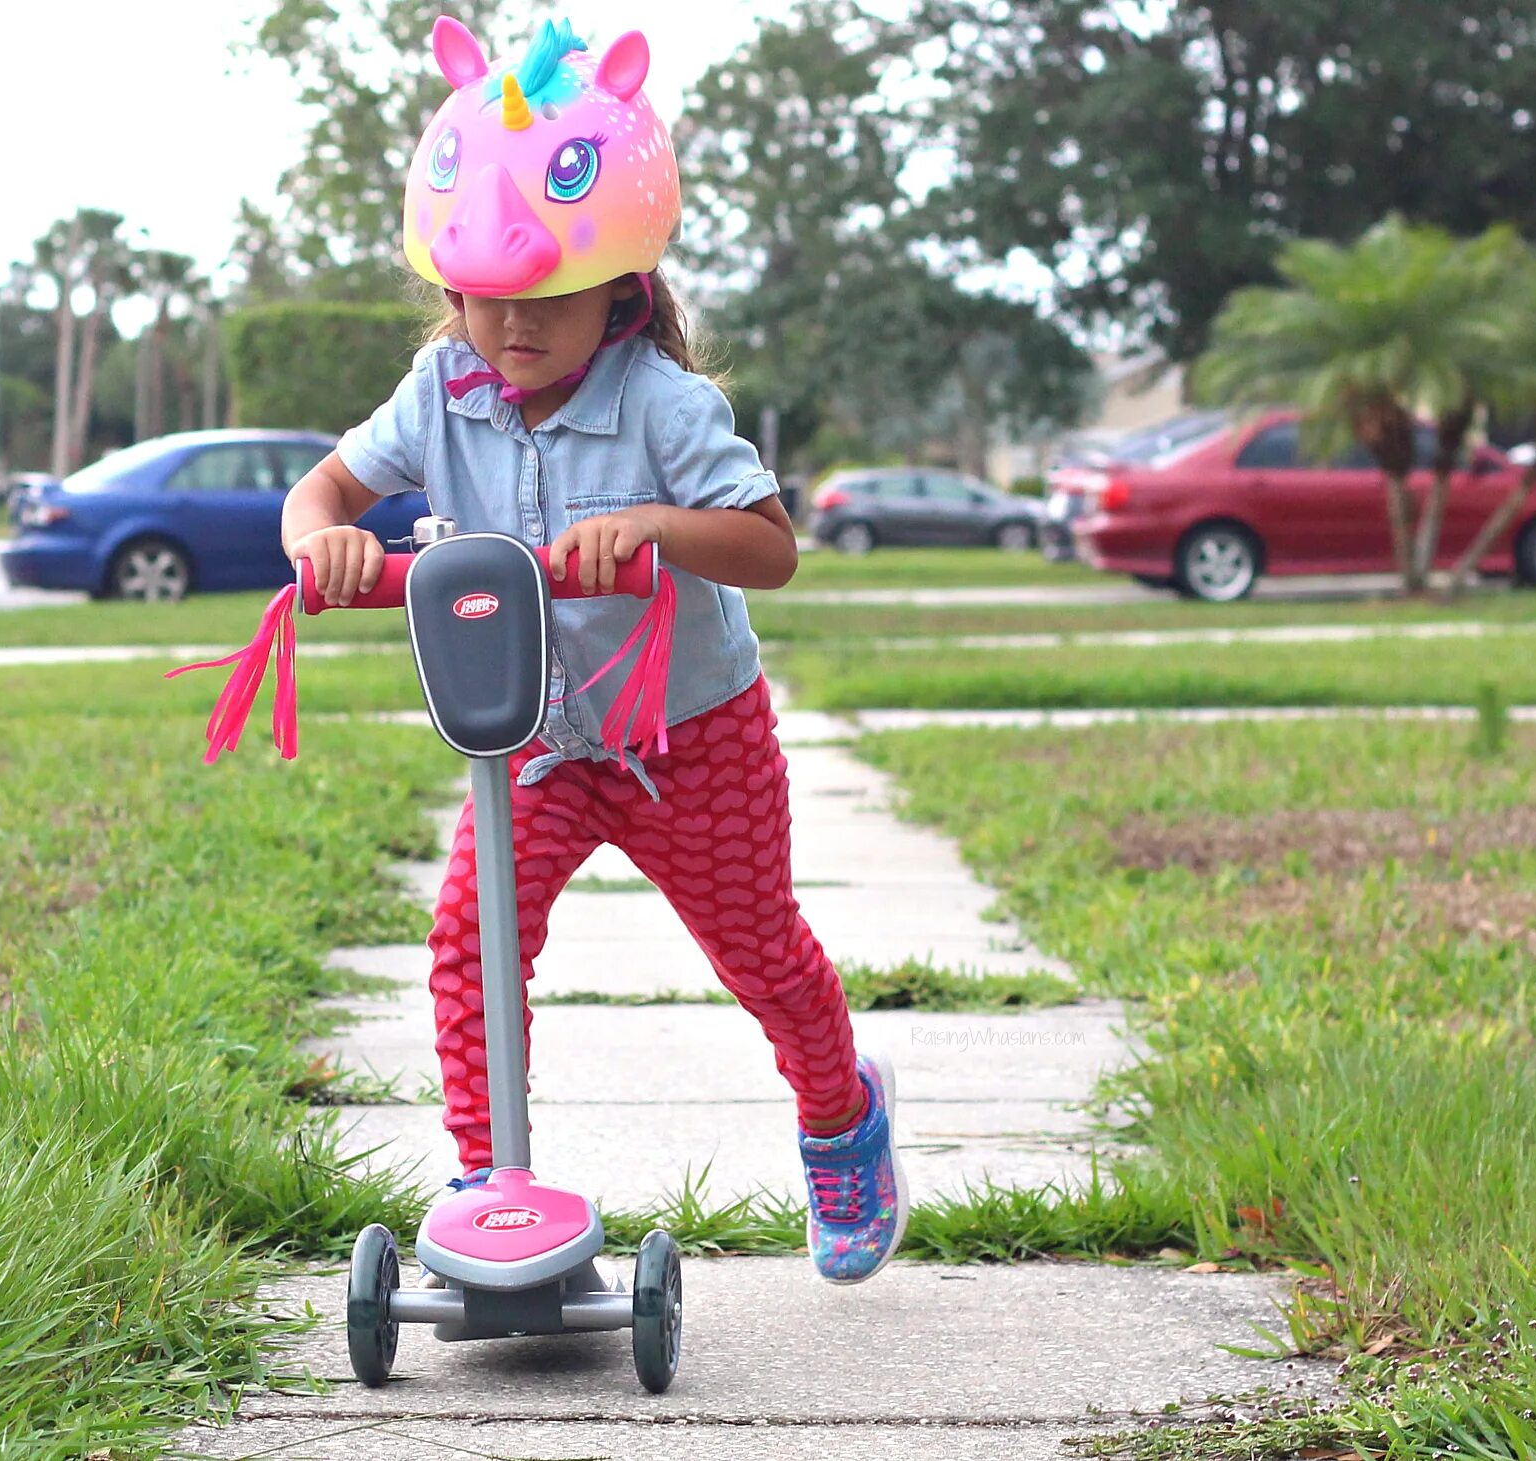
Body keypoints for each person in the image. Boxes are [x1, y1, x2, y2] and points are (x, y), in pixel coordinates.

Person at [278, 16, 905, 1284]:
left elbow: (769, 548)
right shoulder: (437, 392)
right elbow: (322, 494)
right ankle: (488, 1172)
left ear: (617, 285)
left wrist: (658, 530)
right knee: (471, 937)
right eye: (487, 296)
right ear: (450, 289)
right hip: (528, 742)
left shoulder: (666, 404)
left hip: (691, 735)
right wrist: (326, 542)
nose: (514, 325)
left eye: (549, 295)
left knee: (760, 951)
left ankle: (843, 1121)